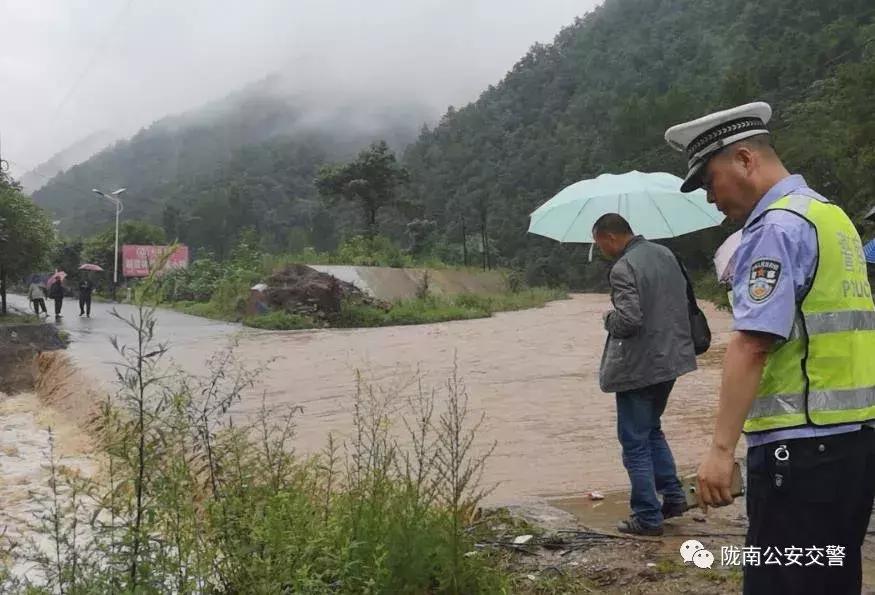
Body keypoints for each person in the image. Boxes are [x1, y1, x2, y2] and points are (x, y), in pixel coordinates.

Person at [665, 101, 875, 593]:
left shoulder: (774, 228)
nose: (711, 199)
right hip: (853, 445)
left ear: (744, 159)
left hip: (799, 452)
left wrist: (719, 450)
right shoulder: (831, 216)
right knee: (831, 576)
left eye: (710, 181)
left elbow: (751, 345)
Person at [593, 213, 698, 536]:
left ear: (610, 237)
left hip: (640, 367)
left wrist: (608, 318)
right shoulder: (665, 254)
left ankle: (647, 516)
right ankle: (674, 496)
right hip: (672, 360)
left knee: (634, 441)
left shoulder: (623, 268)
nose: (601, 250)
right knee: (652, 430)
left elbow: (629, 320)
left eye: (599, 244)